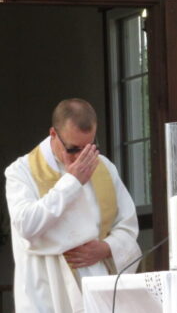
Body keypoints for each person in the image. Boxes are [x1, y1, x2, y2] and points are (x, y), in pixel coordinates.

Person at [5, 98, 141, 313]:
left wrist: (106, 248)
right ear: (53, 134)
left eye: (89, 147)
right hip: (46, 295)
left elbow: (127, 227)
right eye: (72, 149)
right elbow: (26, 225)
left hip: (97, 295)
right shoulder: (21, 172)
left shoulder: (105, 168)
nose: (81, 157)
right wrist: (72, 182)